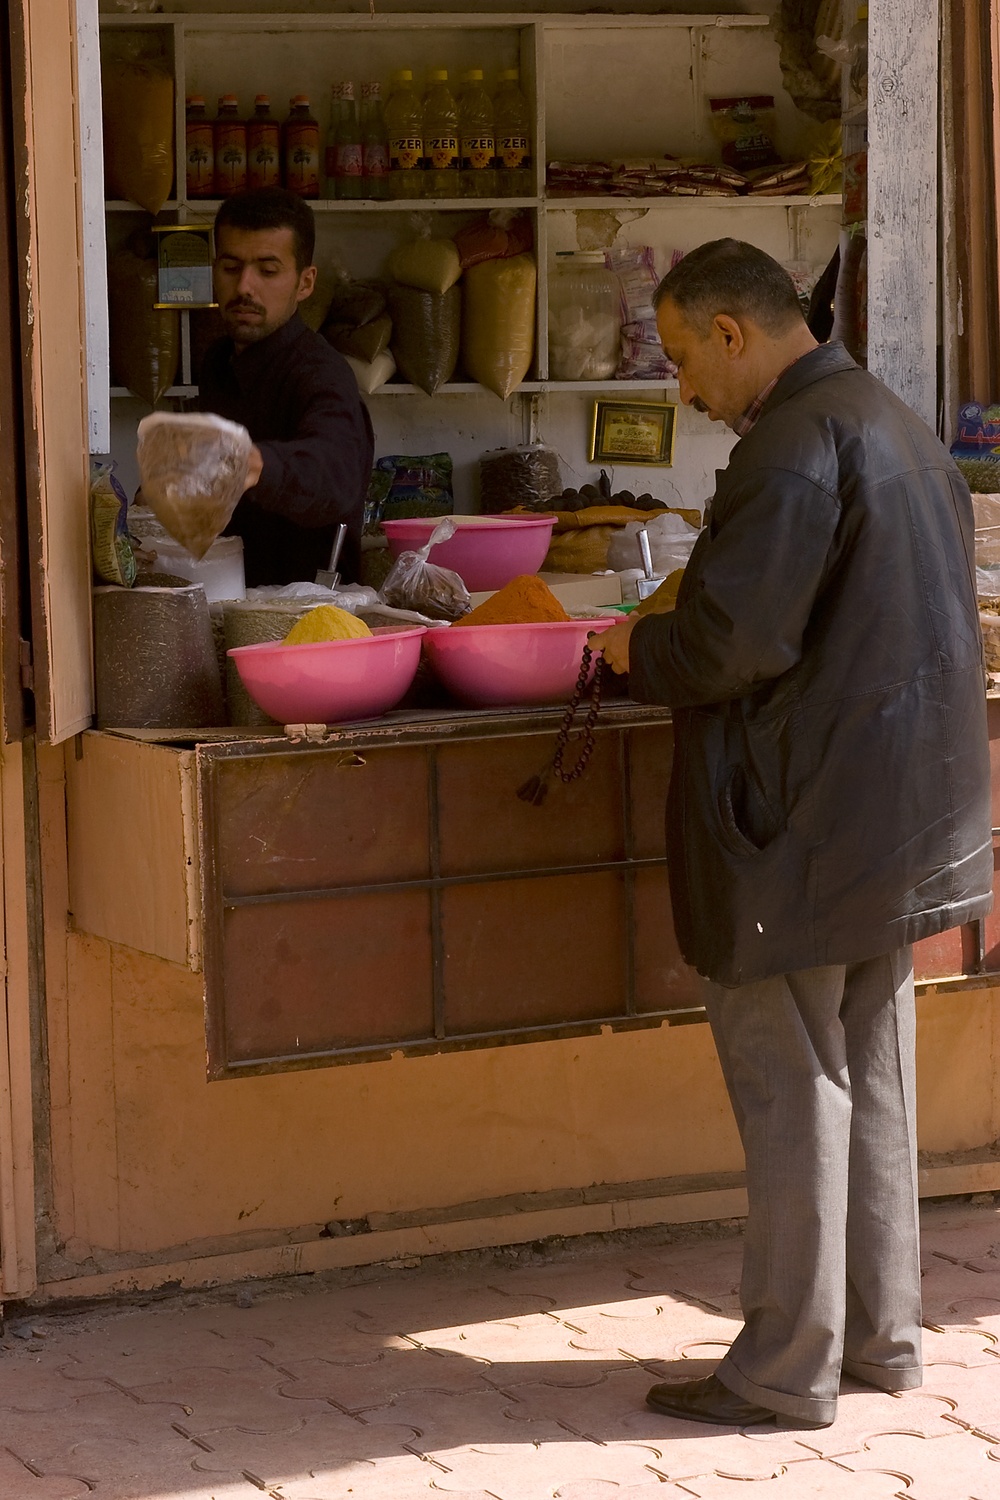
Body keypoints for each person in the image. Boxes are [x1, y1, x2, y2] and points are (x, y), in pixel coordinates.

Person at [595, 239, 993, 1431]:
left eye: (680, 357)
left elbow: (728, 647)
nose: (681, 388)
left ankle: (780, 1368)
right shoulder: (891, 420)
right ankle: (878, 1340)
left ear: (733, 332)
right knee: (869, 1069)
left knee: (792, 1086)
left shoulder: (787, 446)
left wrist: (631, 652)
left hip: (797, 817)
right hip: (901, 811)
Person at [197, 187, 373, 586]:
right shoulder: (218, 361)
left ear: (305, 282)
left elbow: (335, 475)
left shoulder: (321, 374)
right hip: (229, 592)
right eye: (230, 267)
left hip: (305, 612)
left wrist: (255, 464)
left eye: (267, 270)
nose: (245, 286)